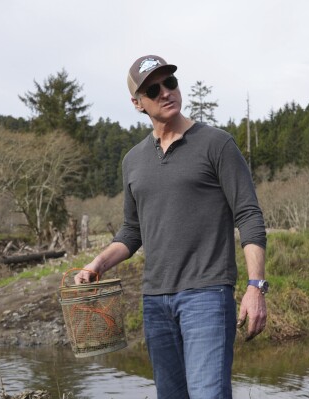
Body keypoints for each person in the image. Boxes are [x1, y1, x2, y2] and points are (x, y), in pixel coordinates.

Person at [75, 55, 268, 399]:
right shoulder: (133, 161)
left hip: (207, 295)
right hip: (155, 301)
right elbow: (131, 232)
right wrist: (96, 265)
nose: (166, 92)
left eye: (170, 83)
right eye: (153, 88)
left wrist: (256, 287)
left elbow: (249, 215)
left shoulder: (217, 144)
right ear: (137, 103)